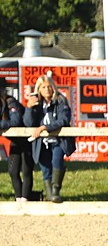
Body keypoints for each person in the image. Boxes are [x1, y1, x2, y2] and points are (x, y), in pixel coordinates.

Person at [23, 74, 76, 204]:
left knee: (56, 161)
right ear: (39, 90)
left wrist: (44, 127)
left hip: (58, 140)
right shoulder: (36, 103)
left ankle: (56, 192)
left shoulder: (60, 100)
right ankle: (49, 194)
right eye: (43, 87)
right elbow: (28, 123)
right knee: (46, 168)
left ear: (53, 87)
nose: (47, 89)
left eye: (49, 86)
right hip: (41, 142)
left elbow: (63, 119)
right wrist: (29, 108)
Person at [2, 78, 34, 201]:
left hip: (26, 140)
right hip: (15, 141)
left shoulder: (11, 102)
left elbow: (15, 121)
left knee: (26, 171)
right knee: (13, 171)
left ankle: (25, 199)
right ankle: (18, 198)